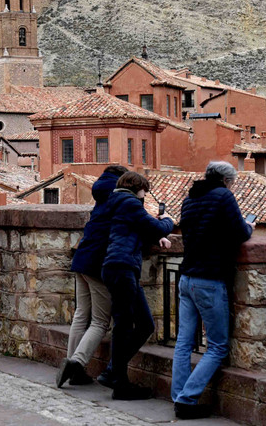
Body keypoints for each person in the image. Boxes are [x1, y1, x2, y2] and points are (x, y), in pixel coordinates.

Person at [170, 161, 254, 419]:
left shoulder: (190, 199)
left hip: (186, 277)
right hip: (210, 279)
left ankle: (177, 395)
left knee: (184, 342)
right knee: (218, 345)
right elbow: (239, 233)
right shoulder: (223, 196)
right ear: (227, 181)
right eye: (233, 184)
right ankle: (186, 400)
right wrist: (249, 225)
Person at [101, 171, 173, 401]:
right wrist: (167, 220)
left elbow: (134, 230)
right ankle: (120, 383)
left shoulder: (117, 202)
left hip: (120, 266)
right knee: (124, 326)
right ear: (137, 188)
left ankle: (114, 372)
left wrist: (153, 235)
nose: (146, 195)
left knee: (142, 324)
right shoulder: (130, 203)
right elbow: (157, 227)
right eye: (145, 190)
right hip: (122, 267)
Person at [57, 165, 128, 388]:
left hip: (81, 258)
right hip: (97, 264)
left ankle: (73, 369)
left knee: (81, 315)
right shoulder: (118, 201)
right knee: (100, 321)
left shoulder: (99, 200)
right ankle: (77, 363)